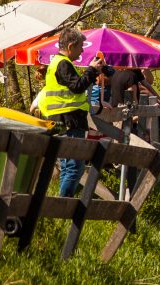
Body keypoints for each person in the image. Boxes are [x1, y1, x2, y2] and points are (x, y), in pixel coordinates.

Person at [39, 27, 113, 197]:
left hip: (62, 120)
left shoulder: (57, 63)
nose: (82, 51)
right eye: (80, 47)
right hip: (69, 121)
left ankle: (61, 203)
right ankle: (64, 204)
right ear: (71, 46)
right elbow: (77, 87)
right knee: (74, 167)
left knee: (67, 167)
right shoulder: (63, 63)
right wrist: (91, 70)